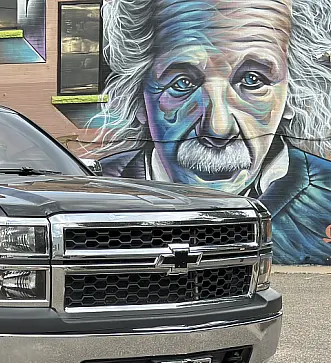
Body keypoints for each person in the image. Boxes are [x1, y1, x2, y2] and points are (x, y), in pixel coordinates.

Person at [95, 0, 331, 264]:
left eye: (253, 80)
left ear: (292, 96)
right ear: (138, 98)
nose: (218, 127)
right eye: (182, 83)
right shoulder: (92, 198)